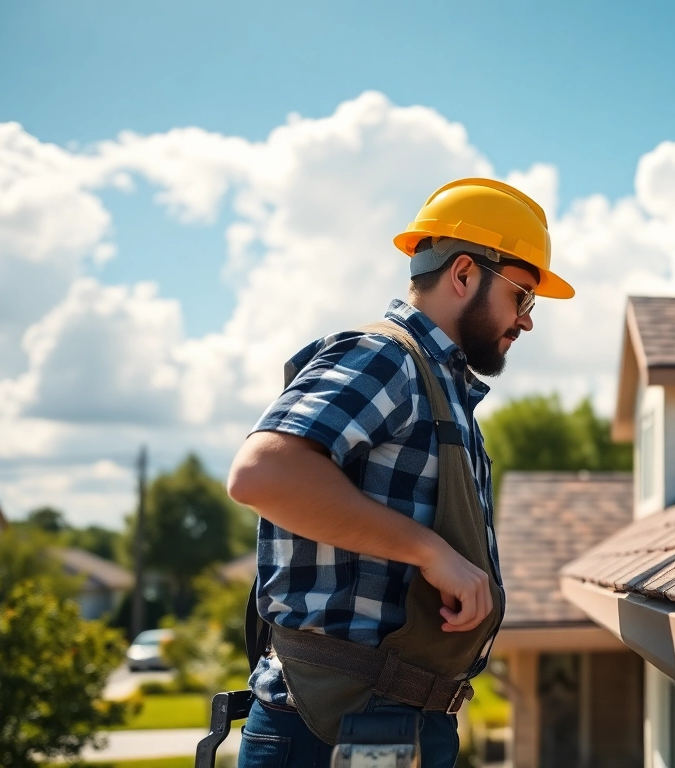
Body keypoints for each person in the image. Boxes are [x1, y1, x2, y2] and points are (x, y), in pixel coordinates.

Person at [226, 178, 574, 767]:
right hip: (326, 724)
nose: (527, 321)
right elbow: (263, 474)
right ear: (464, 274)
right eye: (522, 296)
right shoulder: (385, 358)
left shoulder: (442, 389)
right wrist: (429, 550)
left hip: (383, 720)